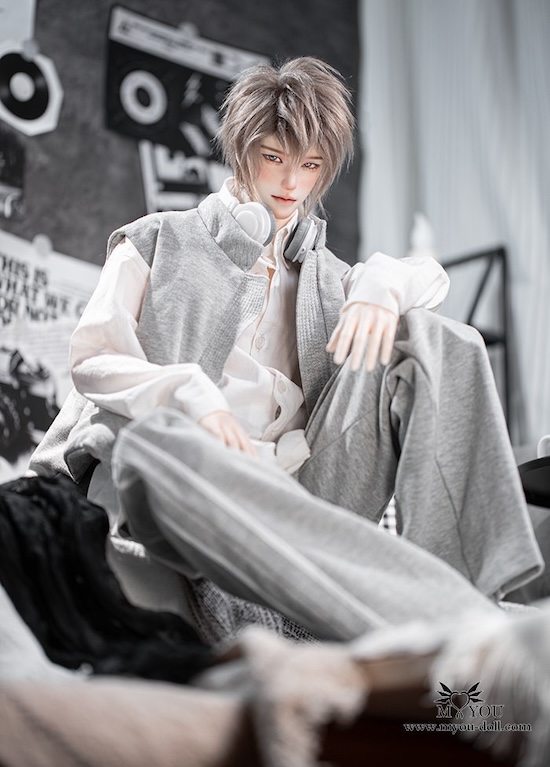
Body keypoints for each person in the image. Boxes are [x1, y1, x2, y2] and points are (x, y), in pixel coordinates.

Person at [28, 57, 543, 644]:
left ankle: (464, 604)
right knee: (156, 442)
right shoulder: (157, 240)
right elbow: (93, 360)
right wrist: (190, 394)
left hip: (305, 491)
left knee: (440, 338)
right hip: (186, 468)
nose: (292, 183)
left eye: (311, 165)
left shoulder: (328, 277)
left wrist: (381, 284)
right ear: (242, 149)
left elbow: (431, 281)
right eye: (274, 158)